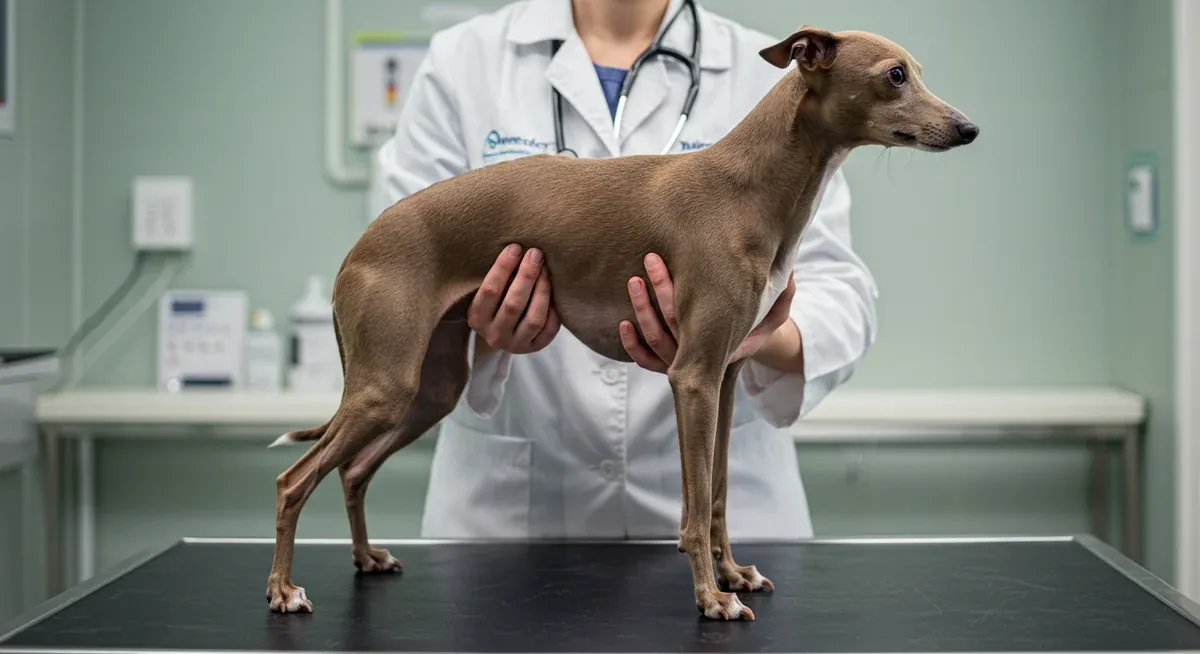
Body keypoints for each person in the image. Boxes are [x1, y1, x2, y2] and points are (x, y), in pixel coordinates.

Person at [372, 0, 878, 540]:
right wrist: (480, 326)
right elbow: (405, 264)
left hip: (745, 517)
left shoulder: (772, 72)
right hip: (513, 516)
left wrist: (752, 331)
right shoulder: (464, 62)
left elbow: (840, 291)